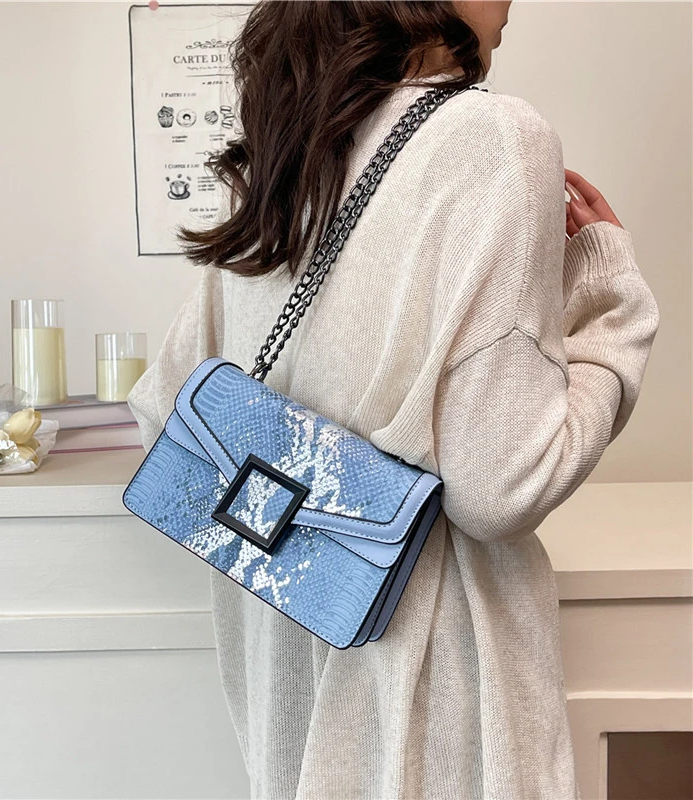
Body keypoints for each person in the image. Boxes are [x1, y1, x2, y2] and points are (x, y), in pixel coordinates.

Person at [126, 2, 661, 798]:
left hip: (285, 671)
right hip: (428, 701)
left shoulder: (293, 143)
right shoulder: (494, 138)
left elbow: (164, 406)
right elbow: (502, 490)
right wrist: (610, 302)